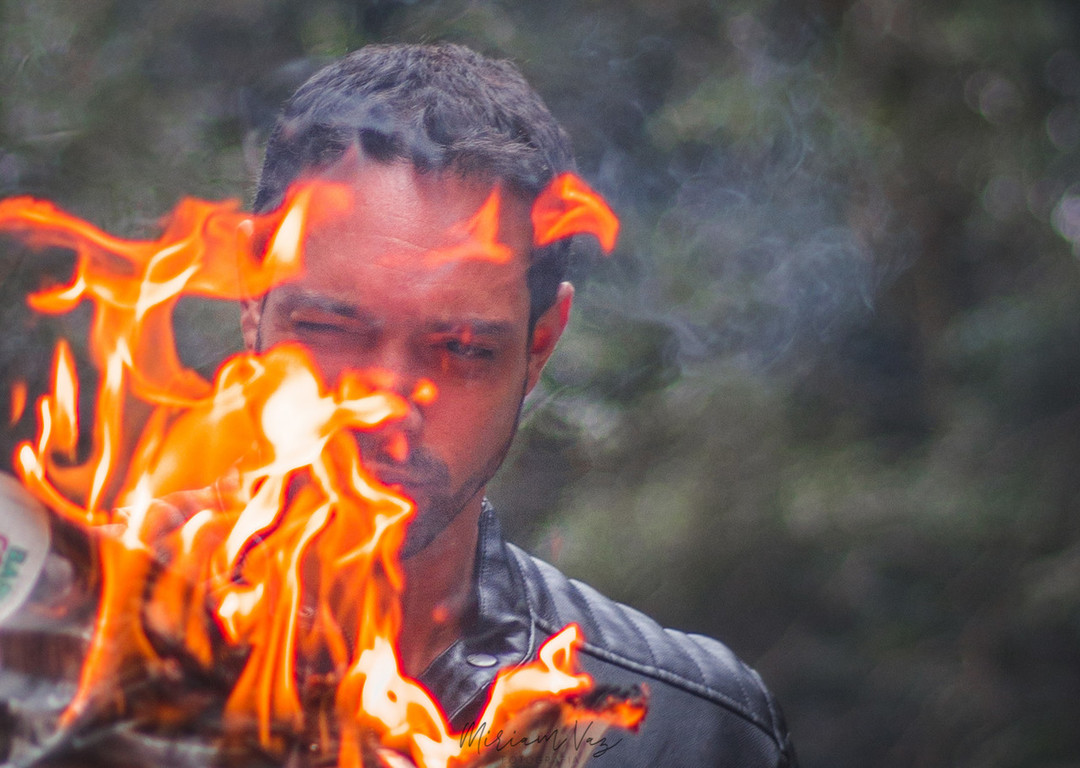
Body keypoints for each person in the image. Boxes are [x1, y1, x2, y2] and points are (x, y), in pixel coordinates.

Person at [237, 42, 797, 767]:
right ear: (252, 299)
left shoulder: (682, 732)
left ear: (540, 345)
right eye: (330, 329)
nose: (384, 406)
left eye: (461, 348)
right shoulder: (99, 652)